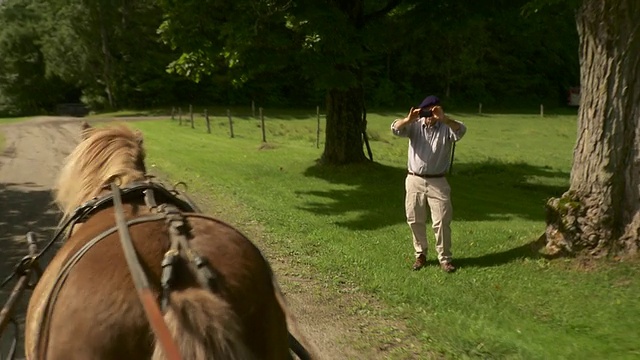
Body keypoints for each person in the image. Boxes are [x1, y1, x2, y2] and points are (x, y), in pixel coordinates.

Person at [390, 95, 466, 273]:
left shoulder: (446, 127)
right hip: (414, 179)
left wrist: (444, 118)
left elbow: (461, 130)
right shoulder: (414, 126)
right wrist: (409, 119)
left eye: (433, 111)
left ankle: (445, 259)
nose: (429, 115)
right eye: (426, 111)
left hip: (438, 181)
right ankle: (420, 255)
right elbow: (395, 128)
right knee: (415, 219)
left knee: (441, 221)